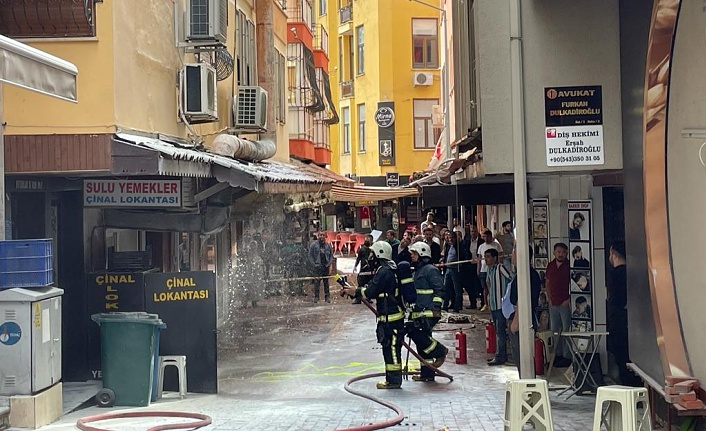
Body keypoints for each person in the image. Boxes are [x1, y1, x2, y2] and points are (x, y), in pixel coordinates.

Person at [342, 241, 406, 389]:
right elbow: (373, 288)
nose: (371, 258)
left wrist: (355, 291)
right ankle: (392, 380)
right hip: (391, 316)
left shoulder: (384, 272)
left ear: (379, 254)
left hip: (391, 319)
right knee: (390, 349)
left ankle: (394, 381)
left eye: (373, 254)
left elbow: (371, 291)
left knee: (391, 350)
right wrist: (355, 291)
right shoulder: (388, 269)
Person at [407, 242, 449, 382]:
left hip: (428, 312)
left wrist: (435, 306)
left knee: (418, 335)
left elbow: (440, 290)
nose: (412, 256)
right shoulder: (418, 271)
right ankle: (427, 374)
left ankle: (440, 350)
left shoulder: (430, 270)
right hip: (419, 311)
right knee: (422, 346)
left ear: (422, 254)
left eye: (414, 253)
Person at [607, 241, 641, 386]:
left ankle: (628, 390)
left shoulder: (614, 274)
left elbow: (616, 299)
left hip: (619, 322)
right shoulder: (635, 272)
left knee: (622, 359)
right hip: (636, 322)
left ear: (614, 254)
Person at [507, 246, 542, 375]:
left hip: (522, 318)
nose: (512, 256)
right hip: (519, 316)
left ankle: (526, 380)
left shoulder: (526, 275)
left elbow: (522, 300)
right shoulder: (521, 273)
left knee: (522, 355)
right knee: (519, 355)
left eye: (513, 252)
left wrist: (516, 321)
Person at [545, 242, 572, 368]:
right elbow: (547, 282)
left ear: (567, 253)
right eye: (558, 252)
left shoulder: (569, 266)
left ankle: (567, 356)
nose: (561, 254)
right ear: (554, 252)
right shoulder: (550, 265)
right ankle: (558, 354)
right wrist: (549, 297)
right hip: (553, 303)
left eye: (563, 252)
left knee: (566, 330)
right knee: (555, 331)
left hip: (565, 303)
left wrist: (569, 299)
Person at [485, 248, 513, 366]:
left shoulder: (500, 268)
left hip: (501, 304)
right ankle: (499, 353)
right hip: (493, 304)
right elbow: (488, 284)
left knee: (501, 331)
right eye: (485, 257)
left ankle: (501, 356)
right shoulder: (489, 270)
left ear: (495, 258)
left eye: (488, 256)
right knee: (497, 330)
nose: (486, 259)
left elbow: (511, 279)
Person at [477, 229, 503, 312]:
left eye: (488, 236)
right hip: (484, 269)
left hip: (494, 269)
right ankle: (486, 304)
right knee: (485, 287)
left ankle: (494, 302)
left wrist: (499, 266)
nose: (486, 238)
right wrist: (478, 269)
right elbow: (479, 259)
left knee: (493, 286)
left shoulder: (496, 245)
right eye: (484, 236)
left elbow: (501, 255)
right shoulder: (481, 246)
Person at [308, 231, 333, 303]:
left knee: (326, 282)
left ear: (325, 236)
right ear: (318, 236)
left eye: (323, 235)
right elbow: (310, 256)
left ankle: (327, 297)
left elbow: (331, 255)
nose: (321, 237)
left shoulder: (328, 245)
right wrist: (314, 264)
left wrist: (329, 264)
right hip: (317, 266)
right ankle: (316, 297)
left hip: (325, 266)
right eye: (320, 235)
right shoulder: (313, 245)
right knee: (317, 282)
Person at [441, 231, 463, 312]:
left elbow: (464, 256)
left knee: (457, 289)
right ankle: (445, 305)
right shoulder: (448, 246)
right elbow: (446, 256)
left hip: (455, 269)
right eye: (449, 238)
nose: (450, 239)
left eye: (452, 238)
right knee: (446, 288)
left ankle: (457, 307)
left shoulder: (459, 246)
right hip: (448, 269)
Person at [463, 225, 484, 309]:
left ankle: (483, 303)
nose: (473, 233)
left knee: (480, 285)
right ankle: (473, 303)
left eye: (475, 231)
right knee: (469, 285)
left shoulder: (481, 242)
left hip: (479, 265)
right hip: (469, 266)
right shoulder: (467, 241)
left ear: (477, 232)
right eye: (472, 231)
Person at [353, 234, 374, 304]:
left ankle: (368, 298)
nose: (367, 240)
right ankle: (358, 299)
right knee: (360, 283)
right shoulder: (361, 249)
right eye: (366, 238)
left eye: (368, 239)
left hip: (370, 270)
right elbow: (358, 259)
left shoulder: (373, 249)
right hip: (363, 270)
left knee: (370, 284)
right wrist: (355, 266)